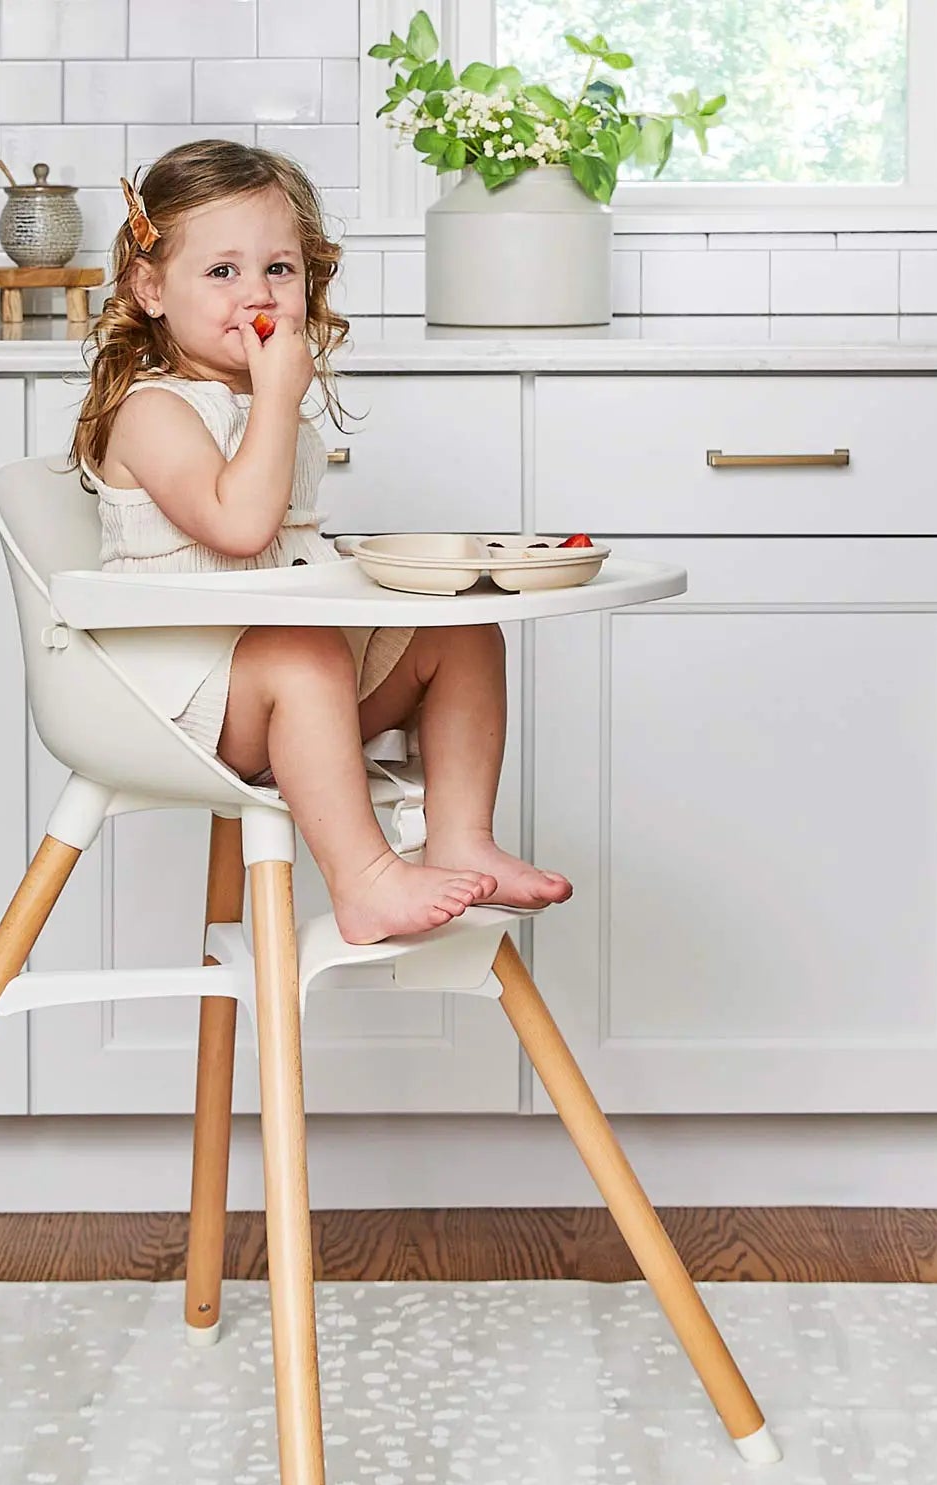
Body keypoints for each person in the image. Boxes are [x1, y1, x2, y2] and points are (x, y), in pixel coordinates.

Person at [73, 139, 571, 945]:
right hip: (187, 694)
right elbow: (239, 529)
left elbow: (287, 550)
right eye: (222, 272)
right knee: (302, 655)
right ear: (151, 288)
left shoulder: (269, 405)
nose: (257, 294)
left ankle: (461, 835)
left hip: (291, 676)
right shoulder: (154, 411)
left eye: (280, 269)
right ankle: (365, 879)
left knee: (463, 634)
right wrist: (277, 396)